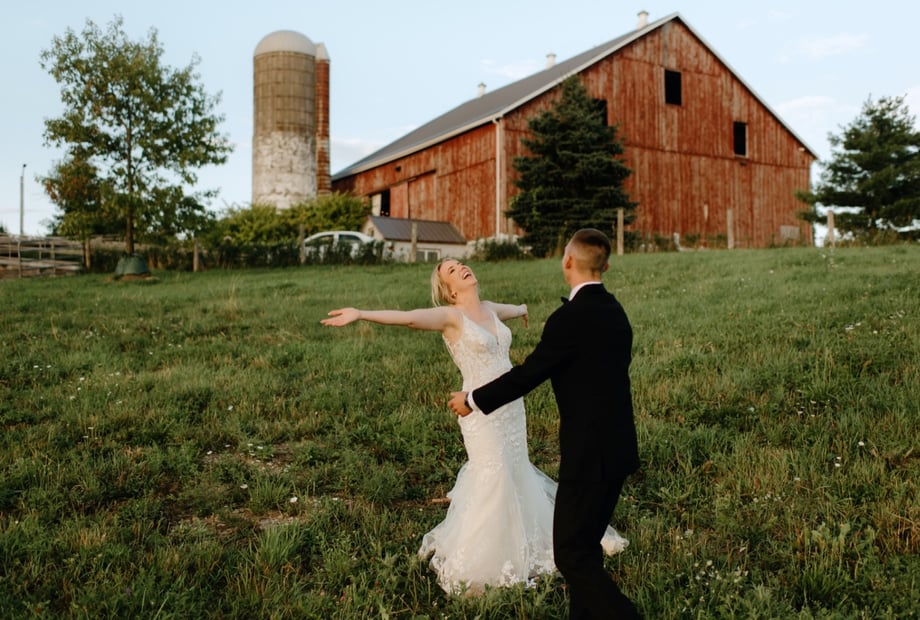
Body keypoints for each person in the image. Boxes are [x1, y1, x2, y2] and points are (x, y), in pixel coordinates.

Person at [321, 258, 627, 595]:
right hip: (478, 410)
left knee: (516, 468)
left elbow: (511, 310)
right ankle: (486, 559)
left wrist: (522, 309)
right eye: (452, 271)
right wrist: (361, 313)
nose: (462, 268)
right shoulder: (451, 317)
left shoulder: (490, 308)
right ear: (450, 291)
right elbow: (408, 318)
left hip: (511, 407)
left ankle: (528, 538)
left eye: (461, 264)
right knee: (494, 473)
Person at [448, 229, 641, 619]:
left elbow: (528, 374)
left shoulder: (567, 319)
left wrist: (472, 400)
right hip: (620, 448)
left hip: (588, 455)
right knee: (585, 548)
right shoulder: (616, 311)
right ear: (606, 266)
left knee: (570, 555)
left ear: (567, 261)